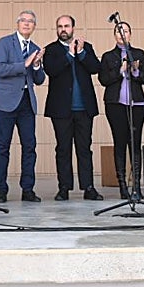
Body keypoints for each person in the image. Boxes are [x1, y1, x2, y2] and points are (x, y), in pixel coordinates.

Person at [42, 15, 104, 201]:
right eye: (60, 26)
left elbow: (96, 68)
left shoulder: (86, 47)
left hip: (84, 108)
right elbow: (51, 70)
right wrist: (69, 55)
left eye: (66, 26)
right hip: (61, 109)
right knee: (63, 149)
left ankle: (88, 187)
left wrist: (81, 52)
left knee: (84, 148)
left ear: (73, 28)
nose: (63, 29)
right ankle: (64, 187)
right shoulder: (51, 50)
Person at [0, 10, 46, 203]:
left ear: (34, 26)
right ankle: (1, 190)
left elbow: (39, 79)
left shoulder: (36, 48)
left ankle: (27, 189)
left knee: (29, 146)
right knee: (2, 146)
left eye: (31, 21)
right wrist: (25, 63)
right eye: (23, 20)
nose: (27, 24)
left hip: (26, 102)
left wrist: (36, 65)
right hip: (5, 102)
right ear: (17, 23)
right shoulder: (5, 43)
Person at [99, 21, 144, 201]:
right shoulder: (108, 56)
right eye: (118, 31)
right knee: (119, 142)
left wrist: (135, 71)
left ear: (130, 34)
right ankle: (123, 186)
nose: (122, 34)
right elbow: (103, 79)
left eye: (126, 31)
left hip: (136, 104)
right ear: (114, 35)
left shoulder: (138, 53)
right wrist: (120, 71)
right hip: (115, 104)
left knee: (135, 143)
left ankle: (136, 186)